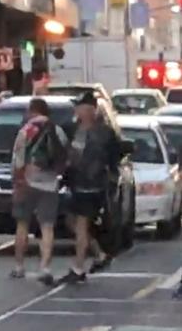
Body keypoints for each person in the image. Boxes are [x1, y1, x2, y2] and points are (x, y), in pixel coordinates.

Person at [59, 92, 120, 284]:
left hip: (90, 186)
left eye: (80, 107)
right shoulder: (74, 129)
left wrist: (108, 179)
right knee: (71, 221)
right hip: (77, 184)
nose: (76, 110)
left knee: (82, 224)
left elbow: (113, 158)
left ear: (90, 110)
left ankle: (78, 267)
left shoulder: (102, 133)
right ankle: (99, 254)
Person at [10, 98, 68, 286]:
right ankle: (45, 267)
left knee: (22, 224)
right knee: (47, 226)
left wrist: (17, 181)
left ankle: (19, 266)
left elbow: (17, 159)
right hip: (50, 183)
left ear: (31, 111)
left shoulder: (26, 130)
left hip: (27, 182)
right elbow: (64, 156)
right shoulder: (57, 130)